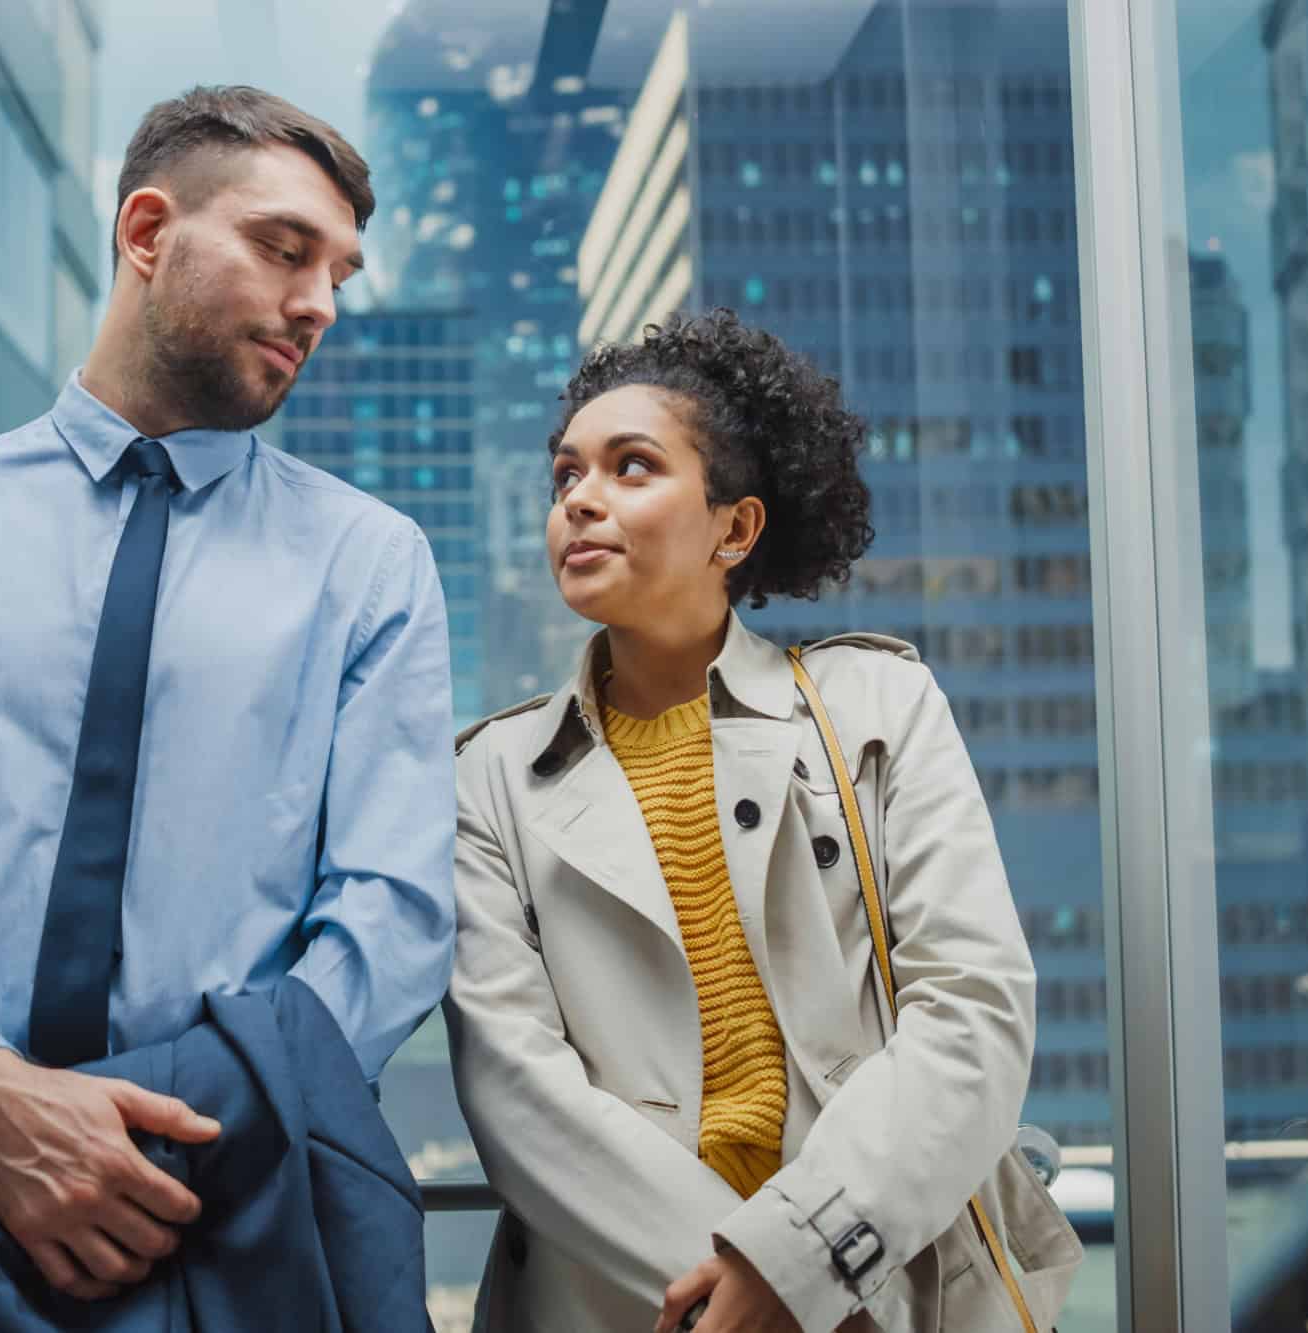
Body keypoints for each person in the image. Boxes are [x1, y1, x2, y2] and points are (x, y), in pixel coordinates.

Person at [0, 86, 455, 1328]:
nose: (320, 305)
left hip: (235, 1212)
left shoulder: (370, 560)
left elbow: (385, 919)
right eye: (285, 250)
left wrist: (143, 1169)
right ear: (144, 233)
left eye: (338, 272)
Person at [445, 310, 1081, 1332]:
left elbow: (971, 1010)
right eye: (564, 475)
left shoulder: (877, 704)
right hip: (629, 1304)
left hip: (879, 1285)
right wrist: (741, 1288)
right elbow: (516, 1094)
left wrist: (801, 1261)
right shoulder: (489, 776)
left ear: (732, 529)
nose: (579, 500)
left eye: (630, 467)